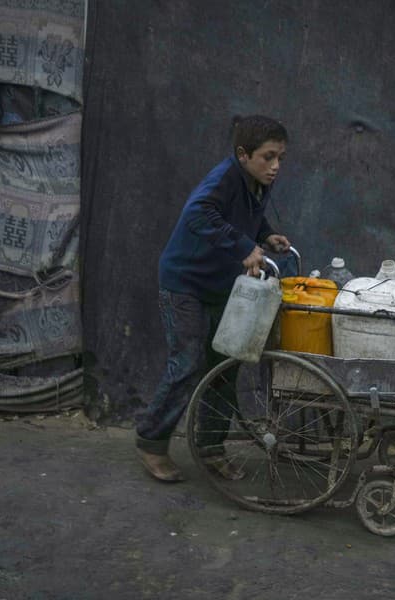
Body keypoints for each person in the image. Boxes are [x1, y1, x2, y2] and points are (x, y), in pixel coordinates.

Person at [135, 115, 290, 482]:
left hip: (221, 287)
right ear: (243, 155)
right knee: (187, 363)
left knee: (225, 367)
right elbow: (198, 214)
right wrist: (242, 246)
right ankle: (151, 441)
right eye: (268, 157)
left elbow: (244, 218)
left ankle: (210, 447)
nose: (275, 166)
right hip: (185, 284)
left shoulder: (256, 183)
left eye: (280, 157)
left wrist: (265, 236)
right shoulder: (224, 178)